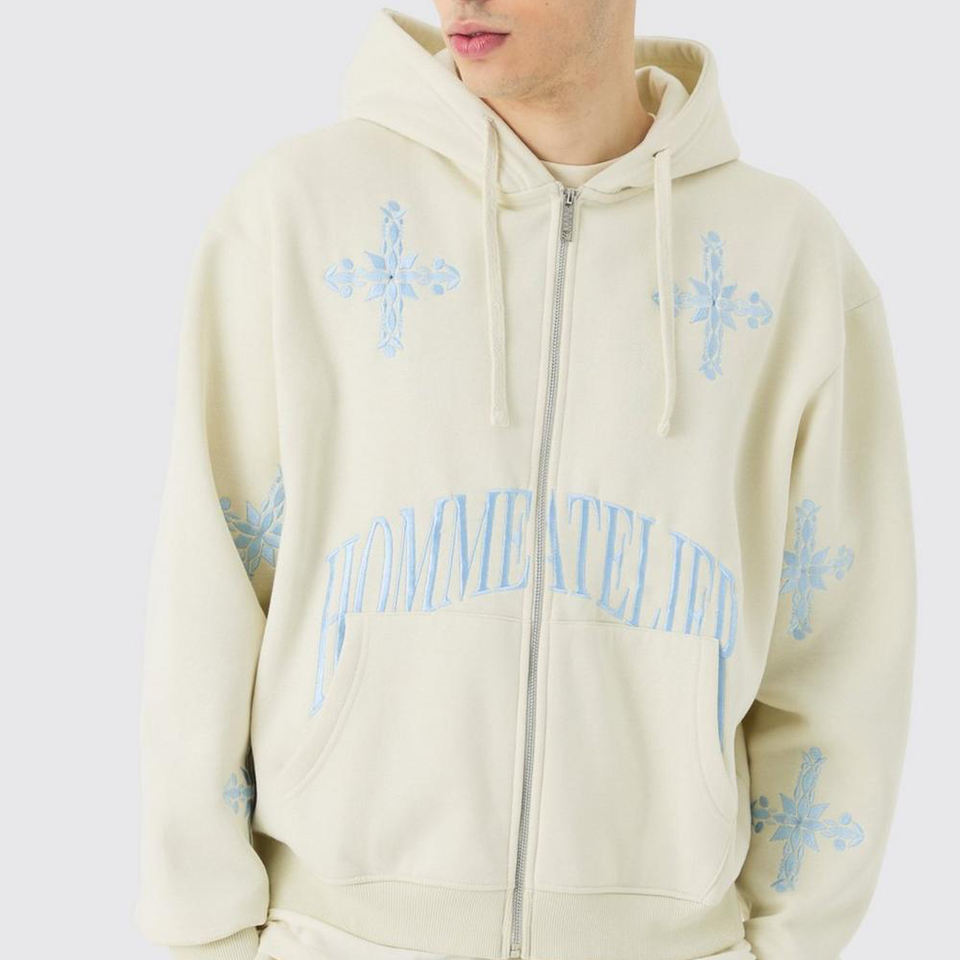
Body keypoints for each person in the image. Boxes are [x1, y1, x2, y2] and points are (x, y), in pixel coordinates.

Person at [134, 3, 917, 960]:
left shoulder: (785, 260)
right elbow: (206, 600)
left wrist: (786, 948)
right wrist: (208, 939)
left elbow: (840, 657)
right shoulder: (299, 215)